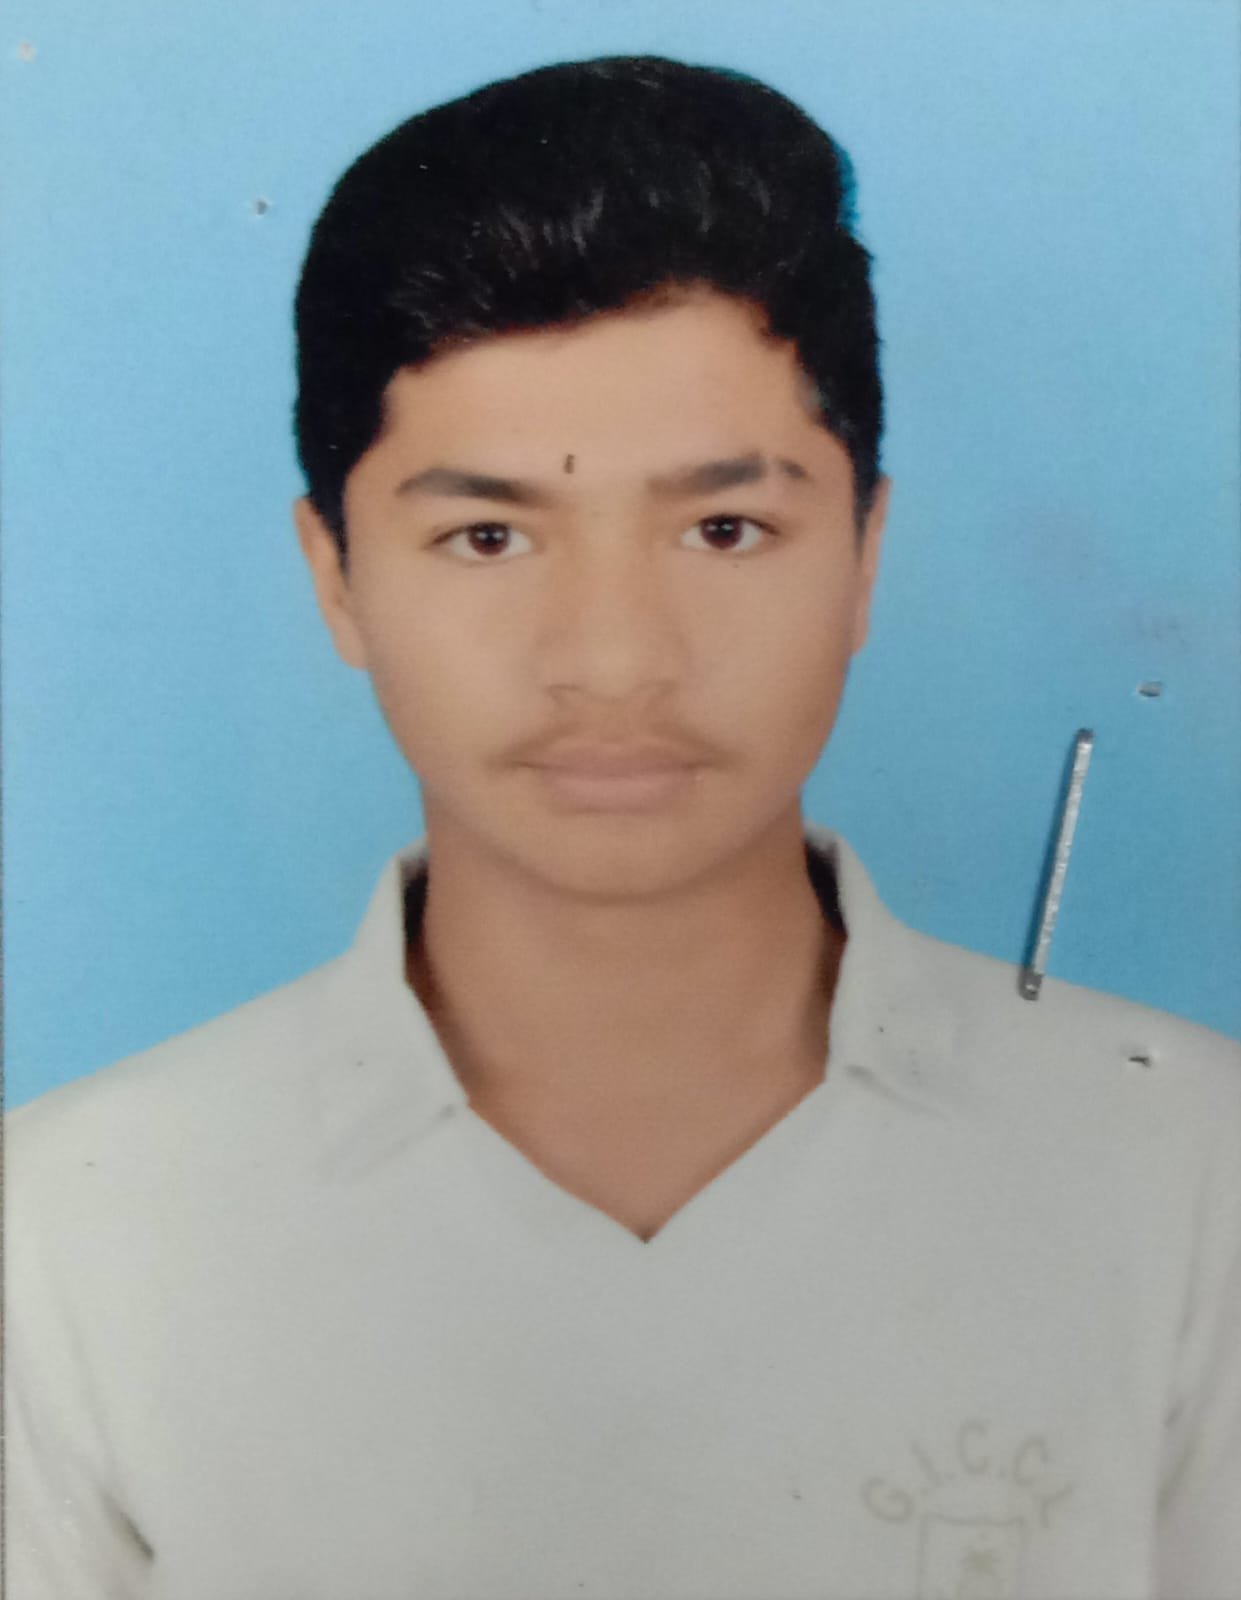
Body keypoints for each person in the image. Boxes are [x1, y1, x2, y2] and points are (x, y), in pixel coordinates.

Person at [5, 53, 1238, 1600]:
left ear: (863, 554)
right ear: (336, 578)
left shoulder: (1194, 1171)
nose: (610, 659)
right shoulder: (66, 1231)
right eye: (487, 534)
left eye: (723, 527)